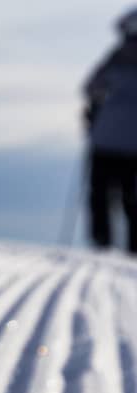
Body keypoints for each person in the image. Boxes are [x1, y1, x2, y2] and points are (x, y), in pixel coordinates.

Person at [85, 10, 137, 251]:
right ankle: (134, 246)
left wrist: (97, 107)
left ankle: (101, 241)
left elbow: (91, 87)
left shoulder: (116, 57)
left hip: (105, 139)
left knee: (101, 193)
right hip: (132, 143)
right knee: (132, 196)